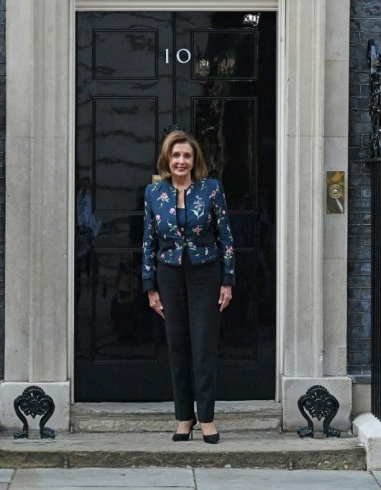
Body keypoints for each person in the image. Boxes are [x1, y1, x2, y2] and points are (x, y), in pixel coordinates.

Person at [142, 130, 234, 444]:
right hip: (169, 276)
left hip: (205, 274)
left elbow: (226, 237)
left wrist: (227, 280)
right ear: (167, 159)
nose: (181, 161)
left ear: (195, 161)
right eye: (176, 155)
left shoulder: (211, 189)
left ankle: (206, 418)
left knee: (204, 345)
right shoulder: (154, 193)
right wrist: (150, 287)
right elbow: (148, 243)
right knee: (178, 346)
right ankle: (185, 417)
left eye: (187, 156)